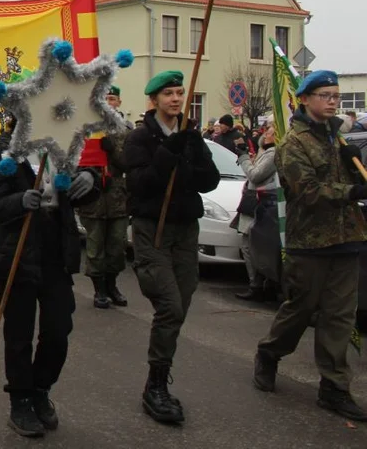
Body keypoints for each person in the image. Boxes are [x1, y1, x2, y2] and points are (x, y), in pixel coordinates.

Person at [253, 70, 367, 422]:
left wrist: (357, 175)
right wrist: (353, 191)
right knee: (300, 310)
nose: (332, 101)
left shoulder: (340, 140)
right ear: (304, 99)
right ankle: (270, 353)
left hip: (347, 239)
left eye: (336, 95)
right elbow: (308, 192)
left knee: (339, 316)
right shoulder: (293, 144)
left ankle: (334, 387)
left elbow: (351, 178)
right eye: (325, 95)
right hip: (310, 243)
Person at [0, 122, 99, 438]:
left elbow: (83, 188)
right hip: (17, 255)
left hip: (56, 254)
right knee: (19, 335)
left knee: (58, 331)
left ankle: (41, 389)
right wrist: (19, 202)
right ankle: (20, 400)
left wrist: (90, 178)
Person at [123, 70, 219, 425]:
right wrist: (167, 153)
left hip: (185, 230)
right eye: (168, 94)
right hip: (153, 230)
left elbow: (208, 182)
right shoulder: (140, 138)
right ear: (154, 100)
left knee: (181, 304)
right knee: (170, 305)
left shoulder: (191, 135)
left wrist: (191, 152)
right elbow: (140, 184)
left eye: (180, 92)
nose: (176, 99)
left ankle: (158, 378)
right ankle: (156, 386)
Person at [77, 85, 131, 309]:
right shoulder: (86, 128)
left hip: (118, 197)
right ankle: (99, 289)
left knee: (117, 245)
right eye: (105, 98)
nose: (109, 102)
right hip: (94, 198)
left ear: (118, 102)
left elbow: (129, 162)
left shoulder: (126, 130)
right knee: (95, 246)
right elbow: (75, 160)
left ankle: (112, 285)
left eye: (113, 98)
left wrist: (112, 152)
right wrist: (90, 173)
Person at [232, 123, 280, 302]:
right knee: (249, 244)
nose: (267, 135)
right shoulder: (266, 151)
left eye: (271, 133)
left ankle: (257, 285)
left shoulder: (274, 153)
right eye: (267, 132)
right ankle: (259, 283)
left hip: (261, 202)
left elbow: (255, 175)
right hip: (256, 201)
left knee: (249, 245)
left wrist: (244, 157)